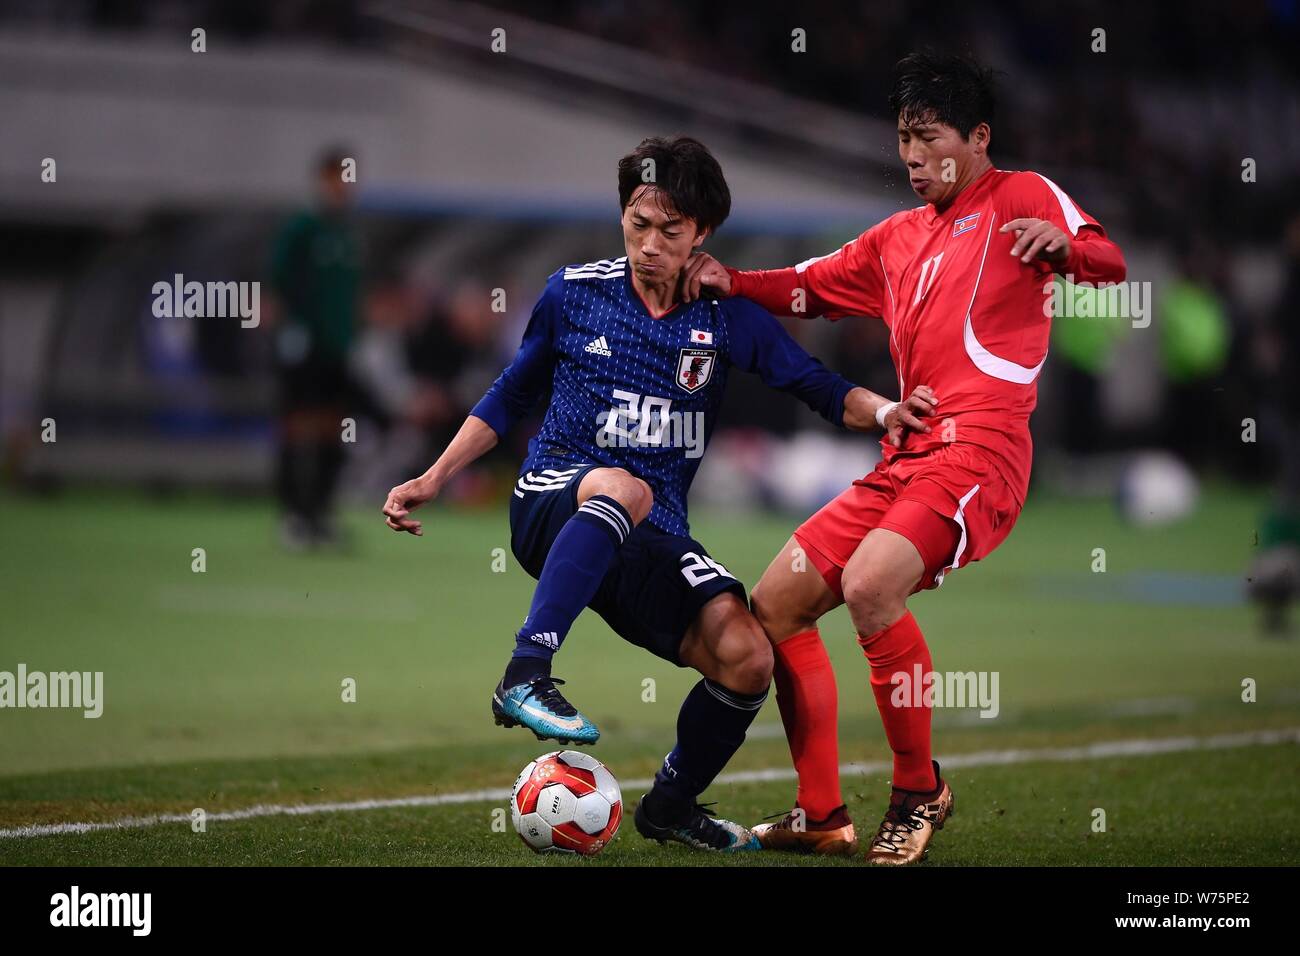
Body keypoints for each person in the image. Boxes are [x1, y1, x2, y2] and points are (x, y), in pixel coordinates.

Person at [382, 135, 916, 851]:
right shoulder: (574, 293)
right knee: (621, 487)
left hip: (651, 529)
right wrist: (433, 476)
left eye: (670, 229)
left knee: (748, 653)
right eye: (638, 223)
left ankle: (670, 807)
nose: (650, 244)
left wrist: (887, 414)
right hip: (555, 496)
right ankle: (526, 672)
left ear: (702, 234)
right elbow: (511, 395)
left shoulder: (726, 317)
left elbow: (818, 389)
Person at [681, 51, 1127, 864]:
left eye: (928, 138)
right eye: (902, 139)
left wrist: (1063, 249)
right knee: (776, 602)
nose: (912, 157)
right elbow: (811, 284)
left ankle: (919, 790)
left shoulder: (1019, 196)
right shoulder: (896, 238)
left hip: (982, 452)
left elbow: (1111, 261)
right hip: (909, 455)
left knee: (870, 585)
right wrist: (731, 280)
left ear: (979, 136)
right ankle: (822, 817)